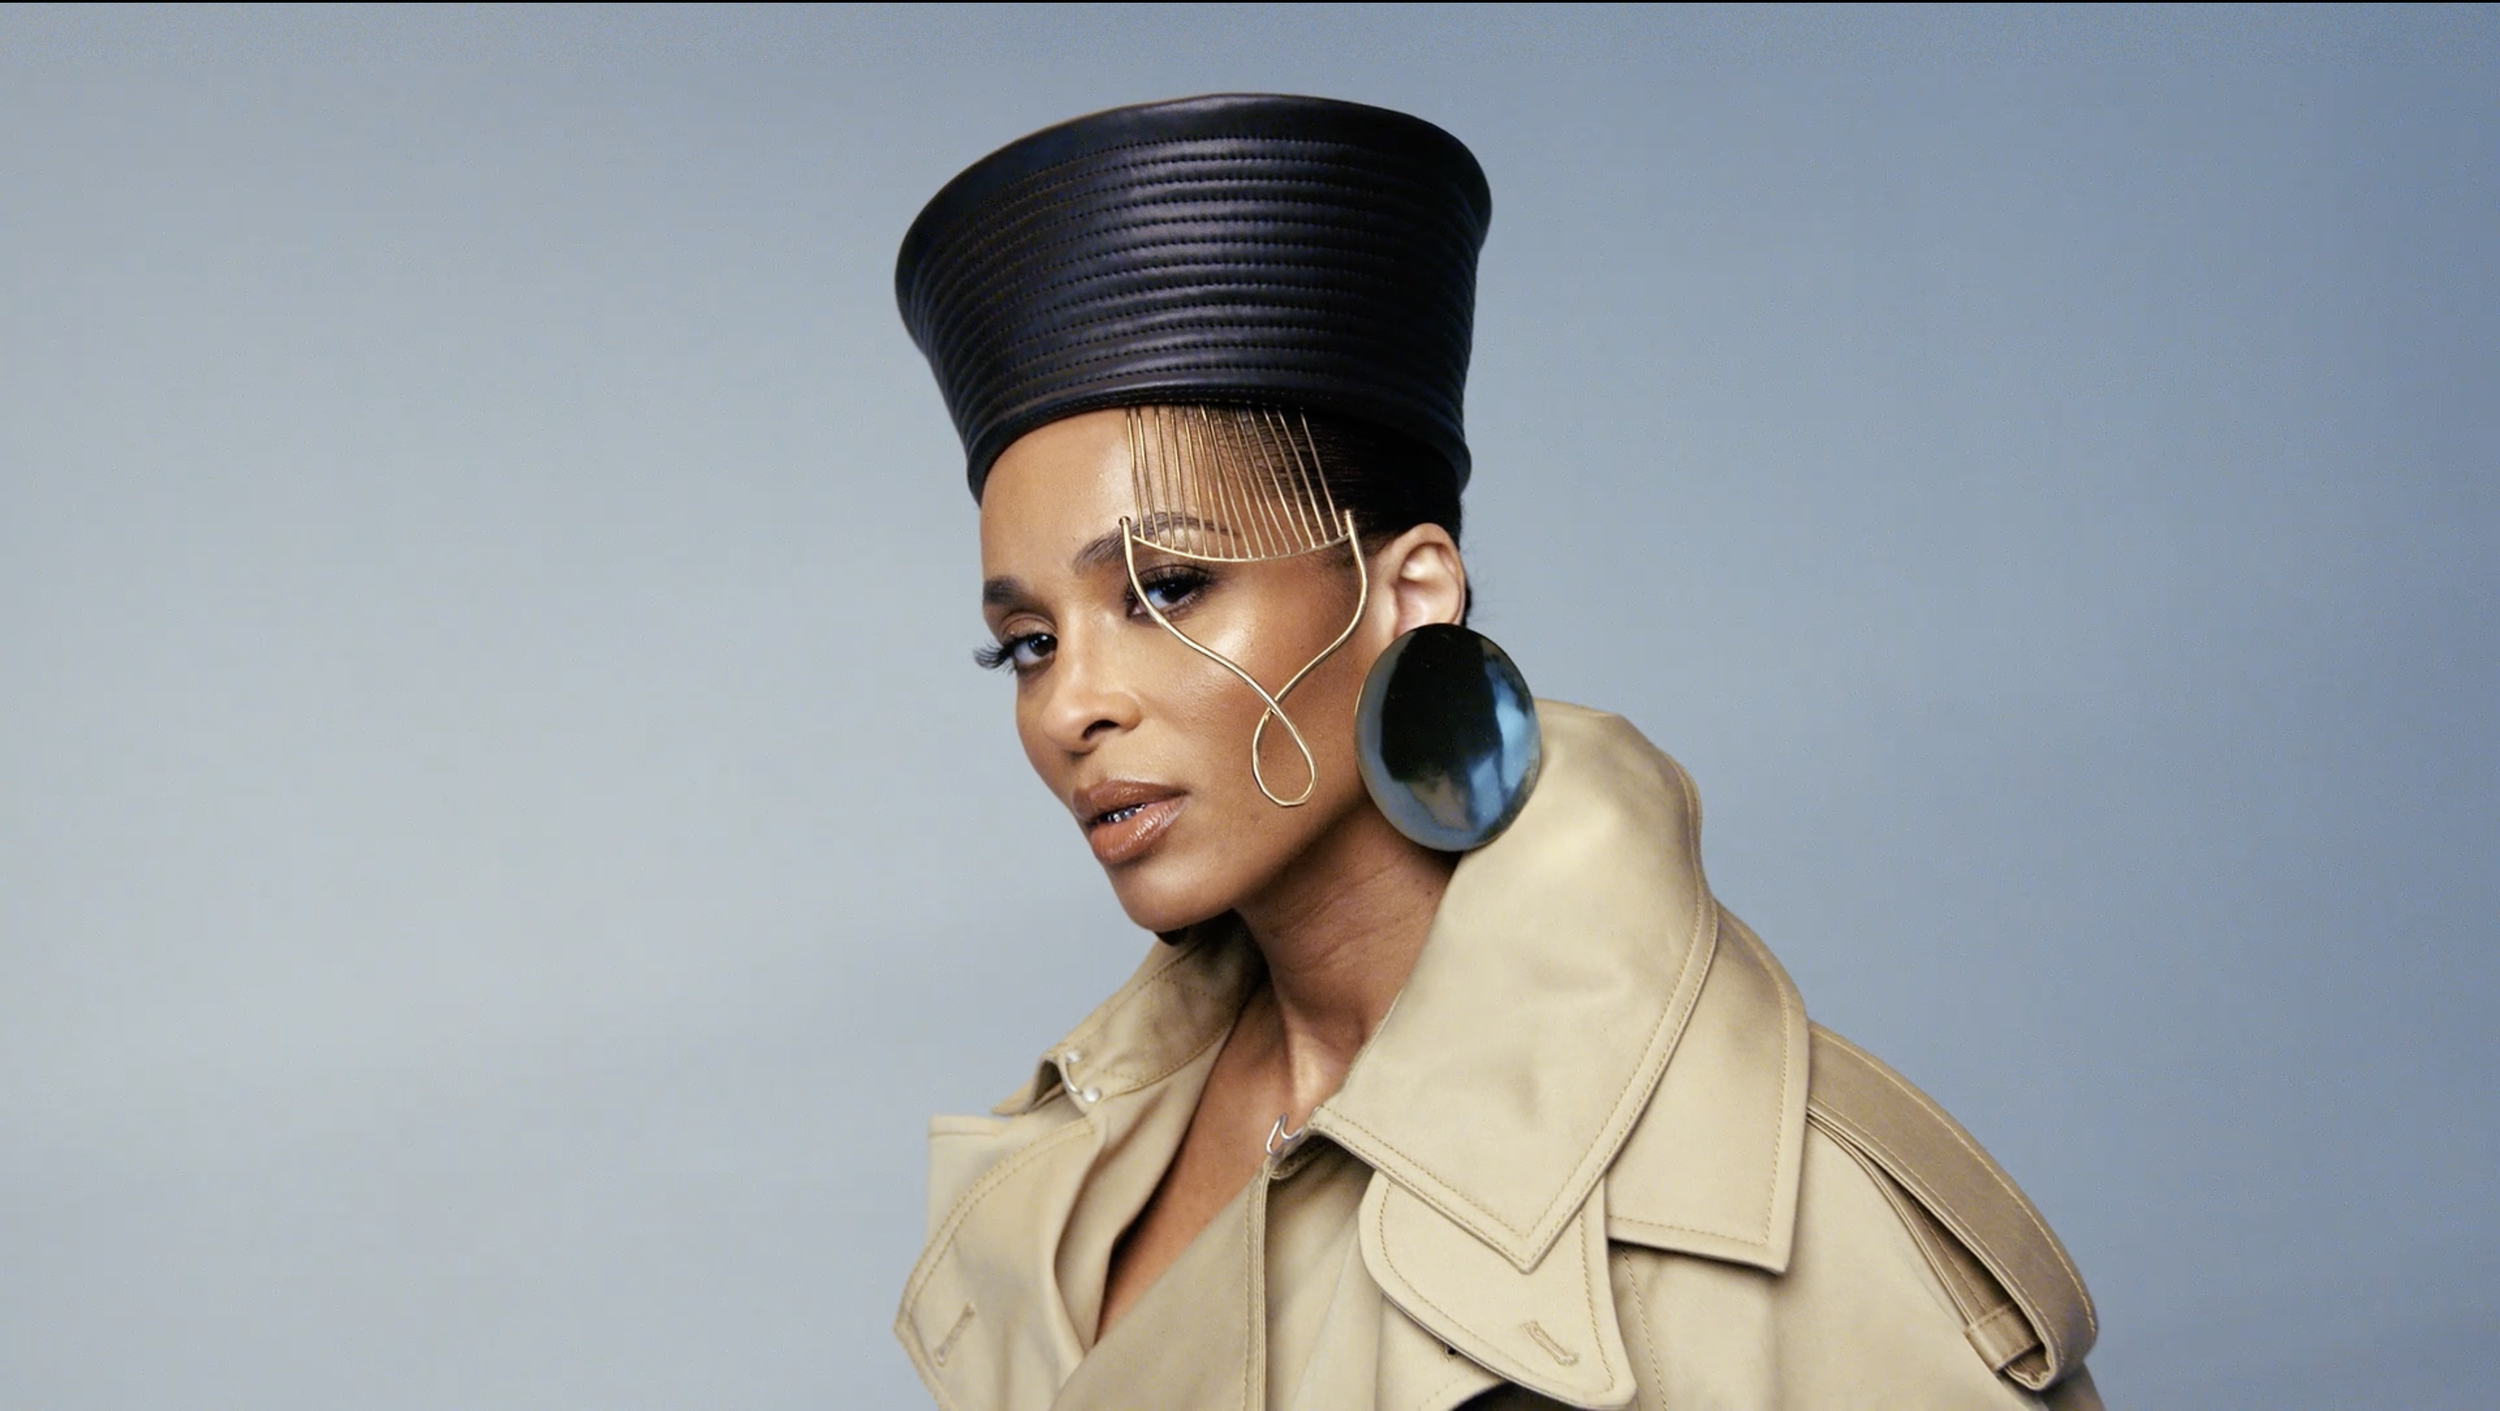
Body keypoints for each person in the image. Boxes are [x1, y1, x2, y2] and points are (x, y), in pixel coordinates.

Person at [888, 94, 2104, 1411]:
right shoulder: (1074, 1173)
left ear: (1408, 593)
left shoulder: (1770, 1202)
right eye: (1027, 642)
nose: (1073, 704)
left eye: (1167, 586)